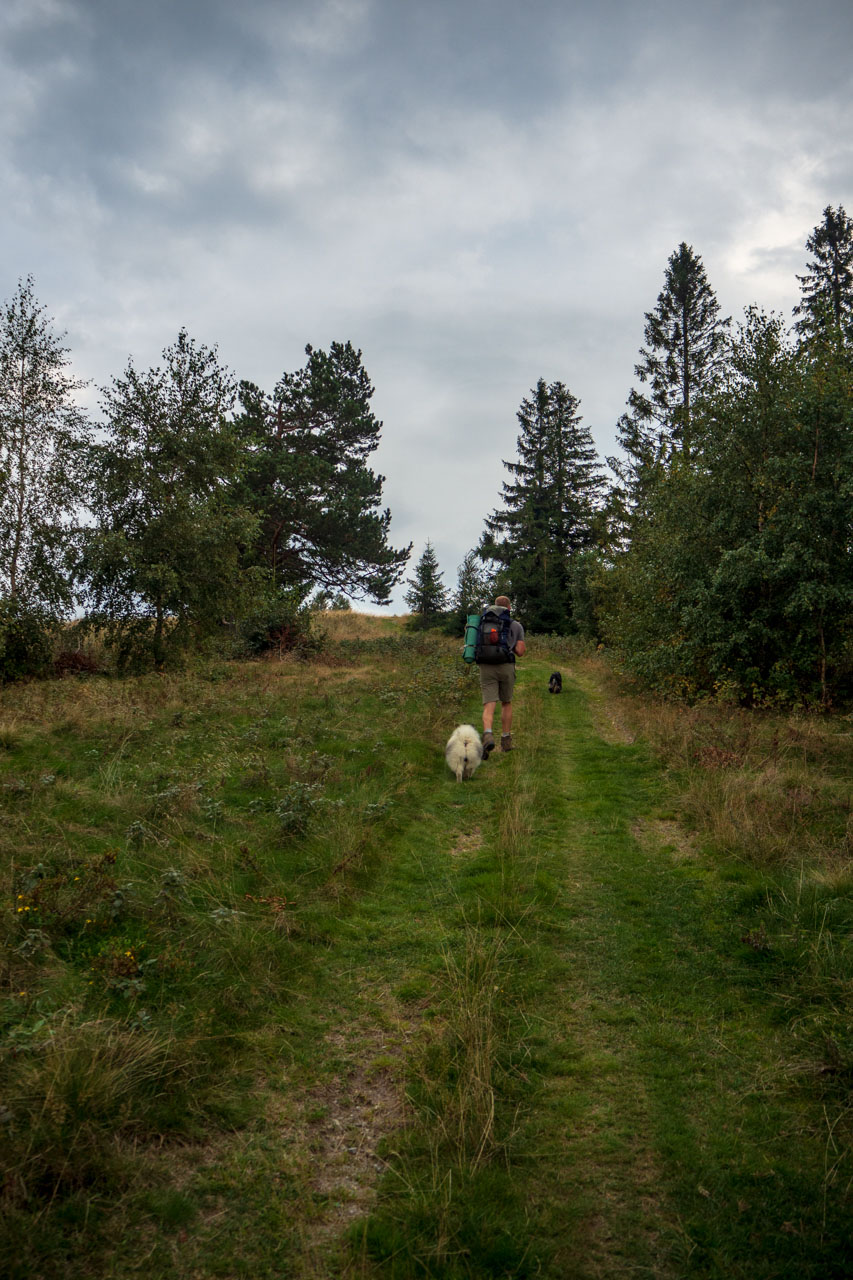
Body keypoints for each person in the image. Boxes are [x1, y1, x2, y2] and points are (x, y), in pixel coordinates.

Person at [475, 595, 525, 756]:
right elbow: (520, 652)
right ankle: (506, 740)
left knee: (489, 704)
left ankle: (488, 734)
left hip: (485, 666)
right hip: (505, 666)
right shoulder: (515, 625)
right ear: (509, 608)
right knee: (506, 702)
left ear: (494, 606)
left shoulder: (482, 622)